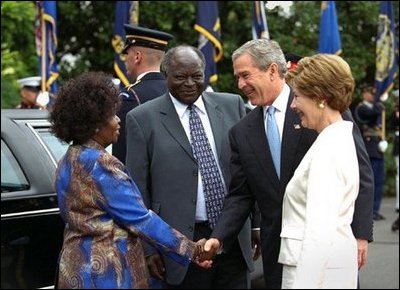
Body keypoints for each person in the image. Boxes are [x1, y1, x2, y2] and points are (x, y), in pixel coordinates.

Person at [201, 39, 374, 288]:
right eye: (238, 77)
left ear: (272, 70)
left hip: (325, 253)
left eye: (245, 75)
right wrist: (218, 237)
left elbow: (360, 173)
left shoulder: (320, 107)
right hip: (277, 251)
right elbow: (241, 195)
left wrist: (360, 235)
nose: (240, 85)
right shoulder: (241, 132)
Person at [49, 71, 210, 289]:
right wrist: (191, 250)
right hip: (106, 272)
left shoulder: (68, 159)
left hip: (74, 267)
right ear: (94, 123)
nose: (117, 120)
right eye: (111, 115)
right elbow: (141, 219)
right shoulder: (102, 164)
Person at [125, 45, 259, 289]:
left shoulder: (232, 106)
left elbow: (250, 171)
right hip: (178, 245)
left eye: (196, 76)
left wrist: (256, 223)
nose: (189, 83)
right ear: (166, 76)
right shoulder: (142, 118)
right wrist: (146, 248)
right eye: (180, 77)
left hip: (233, 238)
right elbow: (137, 190)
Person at [278, 54, 359, 288]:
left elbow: (318, 234)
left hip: (317, 275)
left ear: (320, 98)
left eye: (297, 97)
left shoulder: (329, 150)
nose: (293, 105)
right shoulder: (335, 139)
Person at [112, 24, 174, 164]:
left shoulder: (130, 96)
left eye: (126, 54)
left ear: (137, 57)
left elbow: (122, 156)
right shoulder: (177, 92)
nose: (125, 59)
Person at [354, 86, 386, 221]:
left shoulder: (374, 107)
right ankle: (369, 211)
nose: (372, 96)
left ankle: (375, 209)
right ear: (364, 94)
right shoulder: (361, 108)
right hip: (368, 147)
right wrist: (380, 105)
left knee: (379, 180)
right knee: (369, 180)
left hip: (377, 148)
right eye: (370, 93)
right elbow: (370, 113)